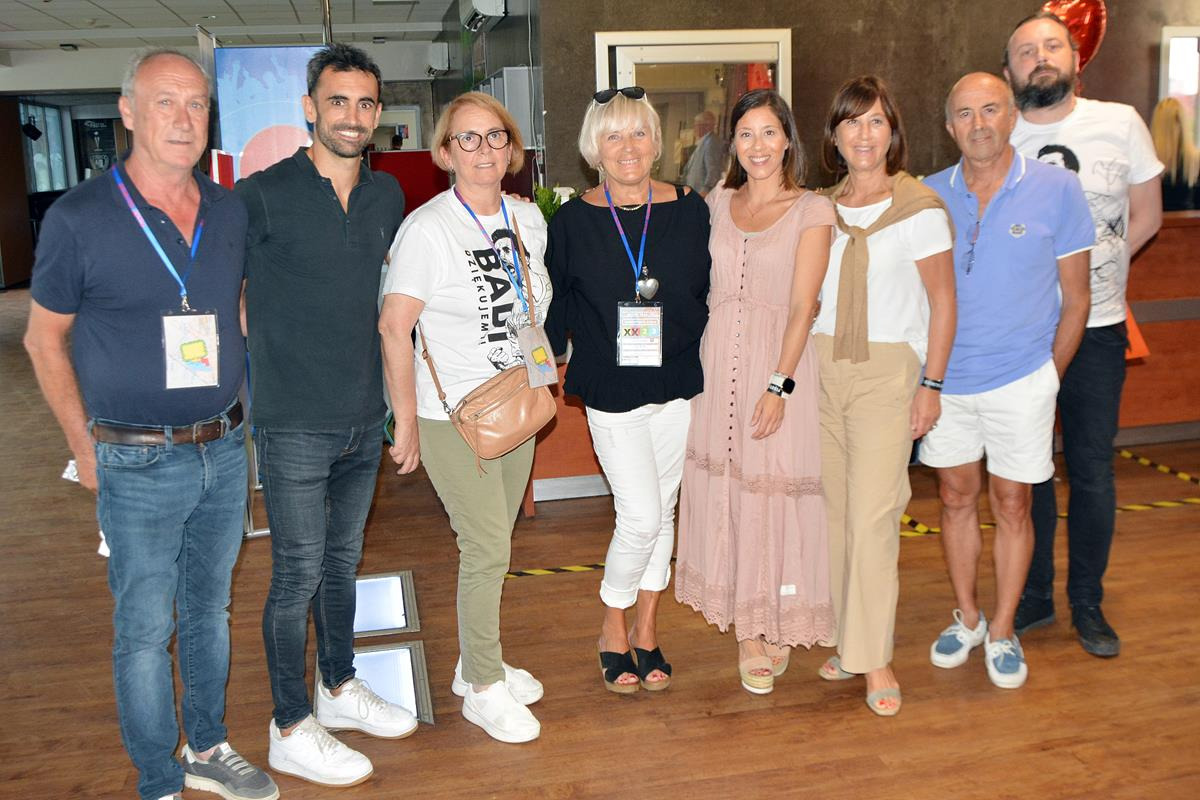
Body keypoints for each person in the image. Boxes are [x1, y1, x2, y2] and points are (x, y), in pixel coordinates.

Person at [23, 48, 277, 800]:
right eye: (165, 102)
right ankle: (159, 776)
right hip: (133, 459)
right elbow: (43, 340)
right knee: (143, 628)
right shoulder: (79, 218)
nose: (184, 119)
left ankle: (207, 746)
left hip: (222, 446)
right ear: (128, 111)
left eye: (196, 103)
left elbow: (233, 307)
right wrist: (84, 450)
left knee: (209, 610)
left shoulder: (228, 210)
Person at [236, 43, 415, 787]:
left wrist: (398, 410)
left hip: (361, 415)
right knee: (296, 574)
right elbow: (229, 295)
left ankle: (337, 687)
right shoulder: (260, 193)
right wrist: (268, 362)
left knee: (342, 562)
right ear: (309, 107)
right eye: (338, 101)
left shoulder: (386, 196)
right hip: (292, 422)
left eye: (365, 103)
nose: (352, 116)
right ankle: (289, 725)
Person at [379, 92, 551, 742]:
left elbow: (531, 307)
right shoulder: (428, 230)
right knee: (485, 547)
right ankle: (482, 686)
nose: (484, 149)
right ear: (446, 153)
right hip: (454, 415)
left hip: (517, 399)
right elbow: (393, 327)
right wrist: (405, 420)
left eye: (495, 136)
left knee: (495, 543)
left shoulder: (527, 218)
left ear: (511, 148)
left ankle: (476, 661)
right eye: (468, 139)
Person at [922, 73, 1093, 690]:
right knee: (954, 497)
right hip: (946, 381)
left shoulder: (1058, 188)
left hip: (1023, 380)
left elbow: (1078, 299)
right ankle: (968, 617)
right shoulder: (928, 194)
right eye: (965, 113)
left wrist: (1048, 378)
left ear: (1012, 116)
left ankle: (1001, 630)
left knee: (1014, 503)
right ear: (950, 127)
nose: (979, 124)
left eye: (990, 109)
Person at [1004, 11, 1165, 657]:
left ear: (1076, 57)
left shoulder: (1120, 122)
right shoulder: (999, 130)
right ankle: (1035, 594)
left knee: (1093, 470)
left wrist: (1103, 271)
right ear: (1009, 69)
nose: (1039, 57)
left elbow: (1146, 217)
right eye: (1025, 51)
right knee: (1029, 468)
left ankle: (1087, 602)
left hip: (1097, 330)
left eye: (1052, 45)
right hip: (1022, 335)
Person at [545, 87, 710, 695]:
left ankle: (647, 628)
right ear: (594, 149)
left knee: (662, 511)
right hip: (611, 389)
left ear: (656, 141)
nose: (628, 147)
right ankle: (612, 624)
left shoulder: (691, 209)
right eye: (613, 135)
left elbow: (712, 292)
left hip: (677, 384)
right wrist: (535, 371)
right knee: (640, 516)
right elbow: (556, 308)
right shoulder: (572, 221)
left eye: (639, 132)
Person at [675, 87, 833, 696]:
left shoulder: (812, 209)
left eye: (769, 132)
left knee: (774, 492)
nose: (758, 145)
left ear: (788, 139)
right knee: (729, 490)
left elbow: (803, 307)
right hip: (716, 370)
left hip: (777, 370)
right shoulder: (716, 202)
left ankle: (774, 617)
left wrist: (778, 385)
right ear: (732, 144)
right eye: (746, 134)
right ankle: (748, 629)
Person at [812, 75, 956, 715]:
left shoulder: (919, 208)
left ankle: (875, 659)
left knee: (873, 518)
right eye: (852, 122)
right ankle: (850, 642)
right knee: (837, 516)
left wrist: (932, 385)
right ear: (835, 135)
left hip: (888, 372)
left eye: (876, 121)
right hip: (822, 366)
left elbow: (945, 304)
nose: (864, 134)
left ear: (892, 132)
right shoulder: (820, 209)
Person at [682, 110, 725, 195]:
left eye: (696, 125)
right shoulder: (704, 141)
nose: (694, 128)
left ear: (707, 126)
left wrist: (706, 190)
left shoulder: (711, 142)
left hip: (703, 195)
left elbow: (713, 170)